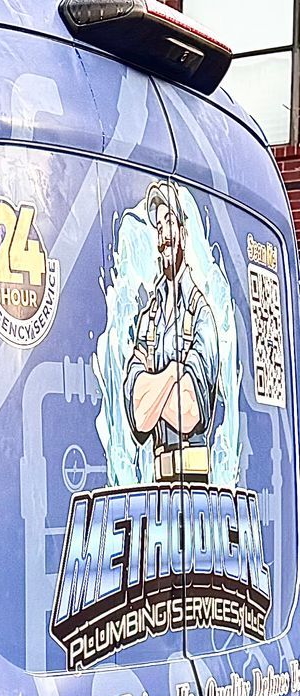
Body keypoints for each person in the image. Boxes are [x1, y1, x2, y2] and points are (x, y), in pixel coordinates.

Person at [124, 182, 221, 481]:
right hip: (156, 487)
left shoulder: (201, 314)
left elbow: (189, 412)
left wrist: (152, 387)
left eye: (169, 222)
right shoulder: (149, 318)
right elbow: (138, 416)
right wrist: (174, 372)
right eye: (158, 227)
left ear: (183, 232)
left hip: (196, 488)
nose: (163, 235)